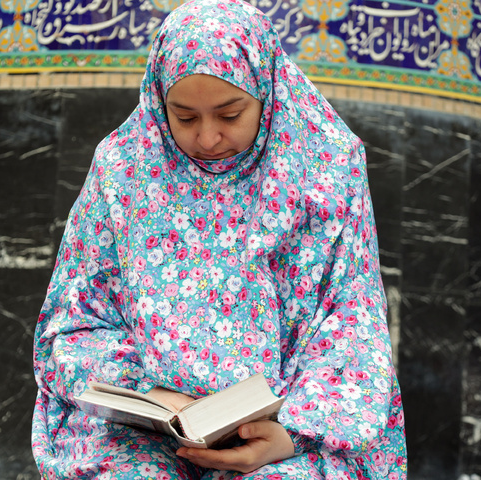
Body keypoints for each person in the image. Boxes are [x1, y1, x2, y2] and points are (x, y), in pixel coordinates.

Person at [31, 0, 407, 478]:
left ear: (267, 94)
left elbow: (352, 323)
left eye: (230, 114)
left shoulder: (326, 170)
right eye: (184, 117)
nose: (207, 138)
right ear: (156, 99)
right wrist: (150, 395)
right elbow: (74, 323)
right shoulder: (123, 170)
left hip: (288, 429)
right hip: (141, 428)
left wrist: (290, 435)